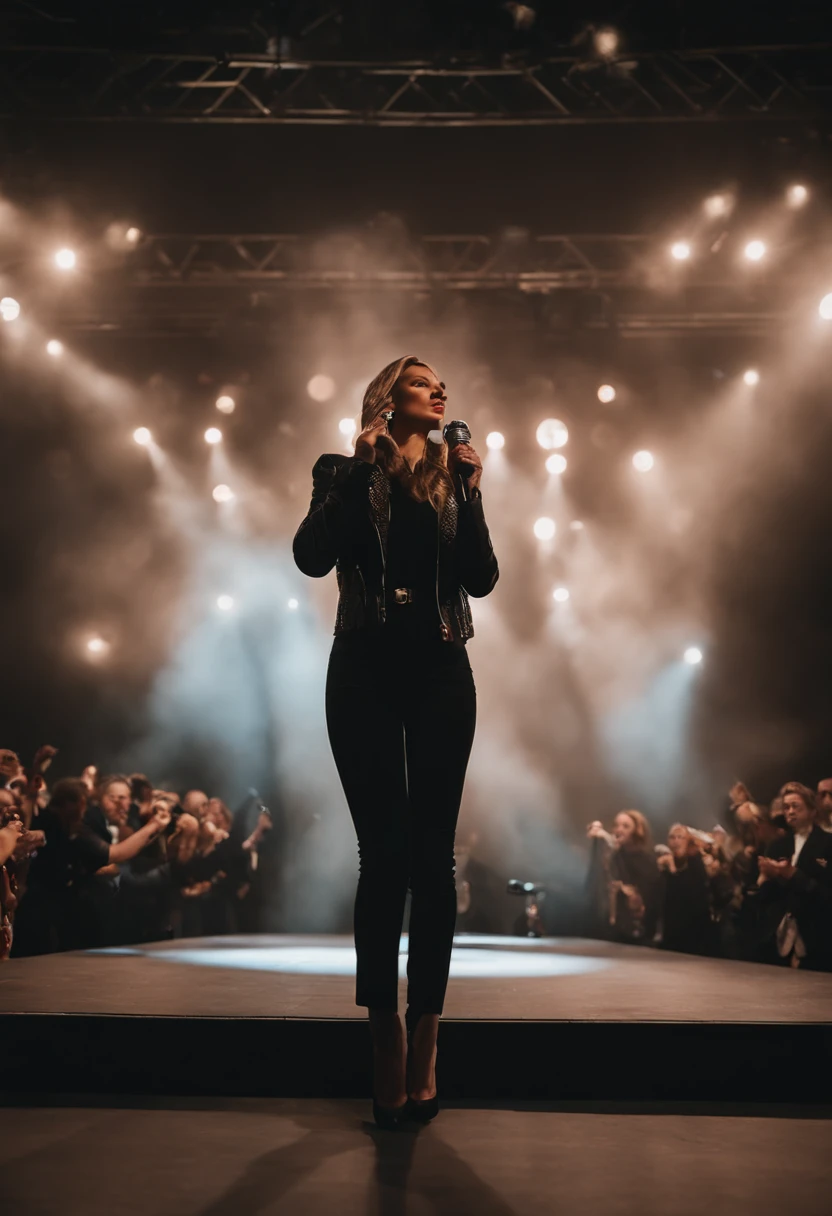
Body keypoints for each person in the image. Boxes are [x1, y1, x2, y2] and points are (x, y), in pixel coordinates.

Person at [293, 355, 499, 1128]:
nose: (440, 390)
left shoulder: (454, 475)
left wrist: (474, 490)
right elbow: (312, 556)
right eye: (422, 382)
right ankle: (381, 1031)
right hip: (365, 666)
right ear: (388, 398)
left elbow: (480, 578)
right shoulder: (341, 470)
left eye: (442, 383)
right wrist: (358, 470)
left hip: (443, 667)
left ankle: (428, 1033)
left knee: (433, 860)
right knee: (381, 857)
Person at [12, 777, 171, 956]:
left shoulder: (58, 824)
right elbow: (115, 853)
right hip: (44, 912)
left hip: (51, 910)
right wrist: (155, 824)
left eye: (124, 798)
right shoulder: (67, 827)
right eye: (114, 798)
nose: (84, 809)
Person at [757, 781, 832, 970]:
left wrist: (792, 874)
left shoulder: (827, 843)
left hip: (817, 936)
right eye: (786, 807)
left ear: (812, 810)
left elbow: (826, 894)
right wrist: (765, 879)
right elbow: (766, 898)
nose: (790, 812)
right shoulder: (777, 846)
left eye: (796, 806)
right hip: (779, 939)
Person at [586, 811, 661, 944]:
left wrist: (632, 892)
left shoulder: (646, 859)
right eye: (617, 825)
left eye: (626, 826)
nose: (619, 830)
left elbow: (652, 895)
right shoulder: (613, 855)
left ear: (637, 831)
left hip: (638, 931)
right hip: (612, 929)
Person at [657, 824, 712, 955]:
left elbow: (698, 895)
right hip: (670, 933)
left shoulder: (696, 863)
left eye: (680, 837)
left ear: (688, 842)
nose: (676, 841)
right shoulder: (663, 864)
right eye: (672, 837)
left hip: (694, 934)